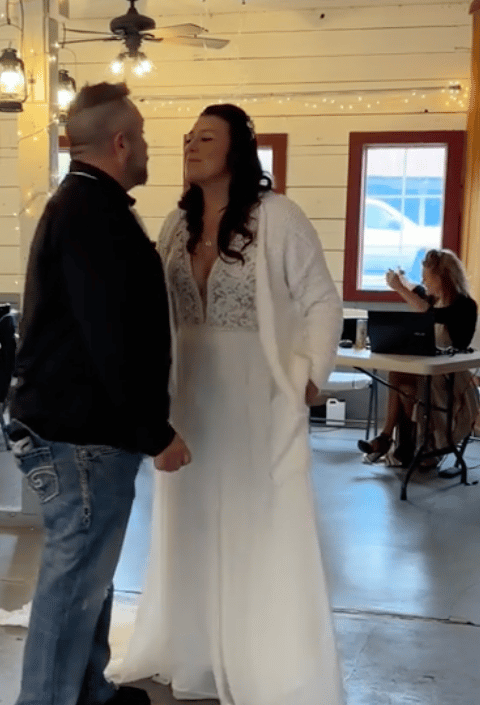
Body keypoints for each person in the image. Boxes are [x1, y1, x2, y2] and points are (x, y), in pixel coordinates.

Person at [116, 104, 345, 705]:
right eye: (188, 137)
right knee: (189, 520)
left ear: (237, 150)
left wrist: (308, 382)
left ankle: (259, 652)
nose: (191, 145)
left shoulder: (278, 217)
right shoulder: (175, 224)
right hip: (188, 394)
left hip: (257, 396)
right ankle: (193, 648)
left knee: (255, 519)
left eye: (206, 137)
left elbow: (322, 300)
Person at [8, 82, 191, 705]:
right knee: (72, 584)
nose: (148, 148)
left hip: (75, 427)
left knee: (91, 576)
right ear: (120, 143)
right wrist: (154, 433)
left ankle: (89, 692)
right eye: (141, 137)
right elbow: (110, 339)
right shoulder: (92, 214)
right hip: (80, 435)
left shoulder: (89, 205)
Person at [358, 249, 478, 468]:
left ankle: (417, 447)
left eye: (427, 277)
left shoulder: (464, 306)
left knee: (407, 389)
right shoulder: (434, 298)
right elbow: (420, 293)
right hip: (427, 368)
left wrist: (399, 288)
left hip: (450, 374)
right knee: (398, 377)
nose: (424, 281)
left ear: (443, 278)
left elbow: (427, 312)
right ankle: (389, 440)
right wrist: (405, 283)